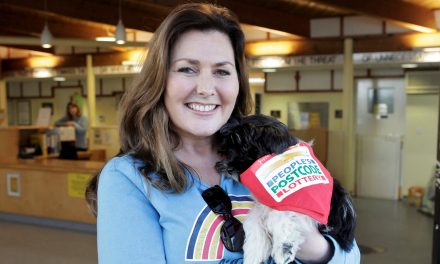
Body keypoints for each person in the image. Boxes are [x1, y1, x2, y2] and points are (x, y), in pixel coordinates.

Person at [86, 3, 360, 263]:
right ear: (160, 80)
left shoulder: (269, 155)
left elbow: (349, 256)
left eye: (221, 71)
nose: (206, 88)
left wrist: (309, 243)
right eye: (187, 69)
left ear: (238, 83)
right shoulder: (130, 178)